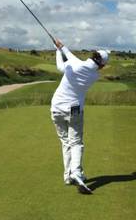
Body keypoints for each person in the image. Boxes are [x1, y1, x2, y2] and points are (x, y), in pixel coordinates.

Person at [50, 39, 110, 194]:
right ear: (102, 66)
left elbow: (60, 65)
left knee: (65, 142)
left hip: (56, 107)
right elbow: (72, 57)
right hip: (74, 109)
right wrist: (62, 48)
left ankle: (68, 176)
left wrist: (58, 50)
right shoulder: (94, 75)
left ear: (92, 55)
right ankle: (76, 172)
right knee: (76, 142)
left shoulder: (74, 64)